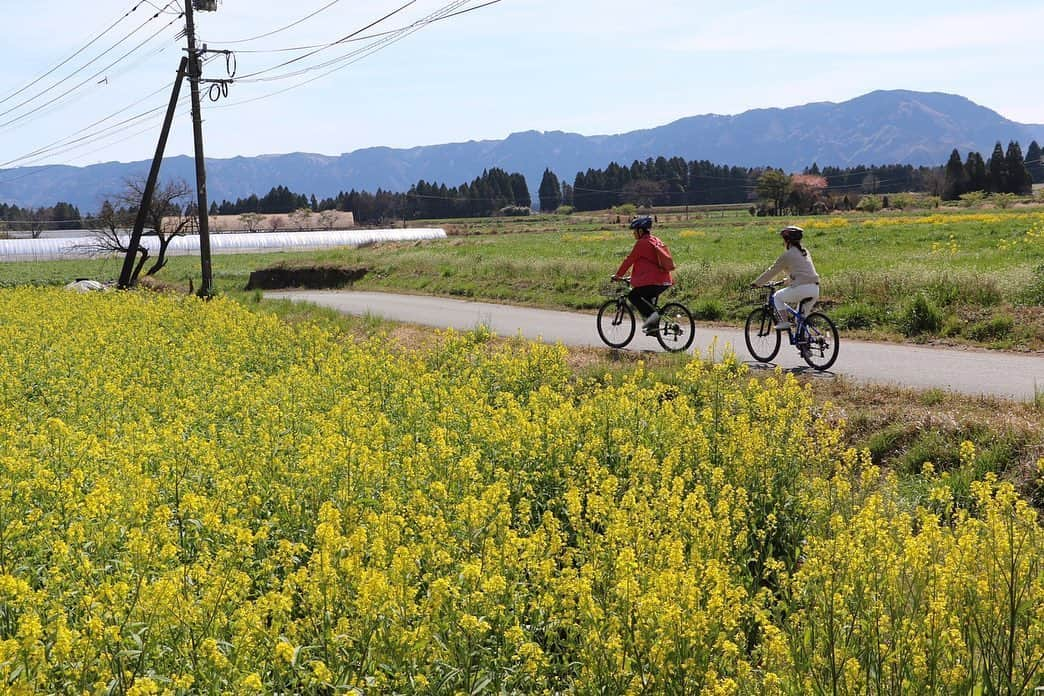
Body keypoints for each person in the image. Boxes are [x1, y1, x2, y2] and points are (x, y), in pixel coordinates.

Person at [611, 215, 674, 333]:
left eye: (634, 231)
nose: (633, 233)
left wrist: (618, 275)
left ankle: (652, 319)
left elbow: (629, 260)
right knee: (646, 300)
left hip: (653, 282)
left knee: (633, 296)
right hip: (665, 281)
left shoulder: (642, 243)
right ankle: (653, 328)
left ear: (640, 230)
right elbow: (649, 264)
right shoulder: (656, 240)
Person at [751, 225, 820, 329]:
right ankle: (806, 341)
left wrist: (757, 283)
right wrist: (786, 281)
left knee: (777, 297)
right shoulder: (804, 252)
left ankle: (784, 322)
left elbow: (772, 271)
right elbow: (803, 273)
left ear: (787, 240)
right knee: (801, 319)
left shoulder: (787, 255)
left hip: (802, 289)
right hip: (814, 289)